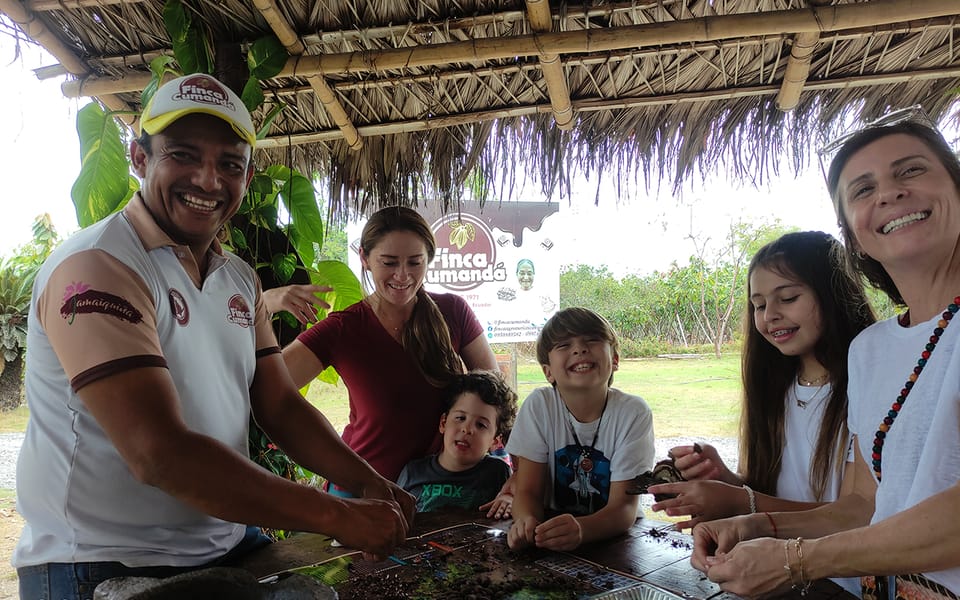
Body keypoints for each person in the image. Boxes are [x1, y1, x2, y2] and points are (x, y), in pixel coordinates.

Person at [13, 74, 413, 599]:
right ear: (138, 158)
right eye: (183, 155)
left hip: (228, 547)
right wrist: (338, 515)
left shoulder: (239, 278)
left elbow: (281, 407)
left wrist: (369, 483)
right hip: (99, 563)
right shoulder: (98, 266)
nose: (208, 180)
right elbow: (158, 452)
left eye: (230, 164)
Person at [690, 110, 960, 599]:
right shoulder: (871, 351)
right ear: (853, 233)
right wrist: (759, 525)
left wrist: (796, 559)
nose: (888, 193)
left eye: (911, 170)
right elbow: (860, 506)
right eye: (862, 189)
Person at [650, 231, 875, 597]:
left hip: (844, 582)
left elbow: (854, 514)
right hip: (773, 574)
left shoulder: (868, 389)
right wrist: (726, 481)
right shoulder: (775, 391)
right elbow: (772, 494)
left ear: (834, 295)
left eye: (788, 297)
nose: (770, 315)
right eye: (758, 304)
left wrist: (741, 504)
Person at [281, 206, 509, 508]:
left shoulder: (453, 311)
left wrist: (518, 477)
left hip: (441, 494)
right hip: (362, 495)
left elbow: (496, 399)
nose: (402, 275)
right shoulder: (343, 328)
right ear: (364, 258)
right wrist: (265, 305)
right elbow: (268, 389)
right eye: (388, 262)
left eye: (415, 262)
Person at [507, 307, 655, 551]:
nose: (579, 349)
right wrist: (526, 522)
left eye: (593, 340)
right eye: (564, 345)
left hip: (616, 538)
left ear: (615, 360)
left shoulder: (633, 412)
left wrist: (583, 529)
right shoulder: (539, 406)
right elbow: (527, 491)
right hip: (550, 534)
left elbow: (624, 508)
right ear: (548, 372)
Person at [397, 370, 517, 514]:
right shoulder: (413, 472)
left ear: (495, 440)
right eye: (460, 418)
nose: (467, 429)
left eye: (481, 425)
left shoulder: (498, 473)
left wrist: (511, 500)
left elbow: (515, 507)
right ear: (443, 423)